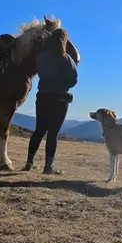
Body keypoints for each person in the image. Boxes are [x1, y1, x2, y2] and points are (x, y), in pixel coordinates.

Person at [23, 27, 78, 175]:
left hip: (43, 97)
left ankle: (29, 163)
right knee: (53, 134)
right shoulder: (66, 58)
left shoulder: (41, 56)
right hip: (60, 99)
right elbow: (73, 80)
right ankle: (48, 167)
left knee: (39, 131)